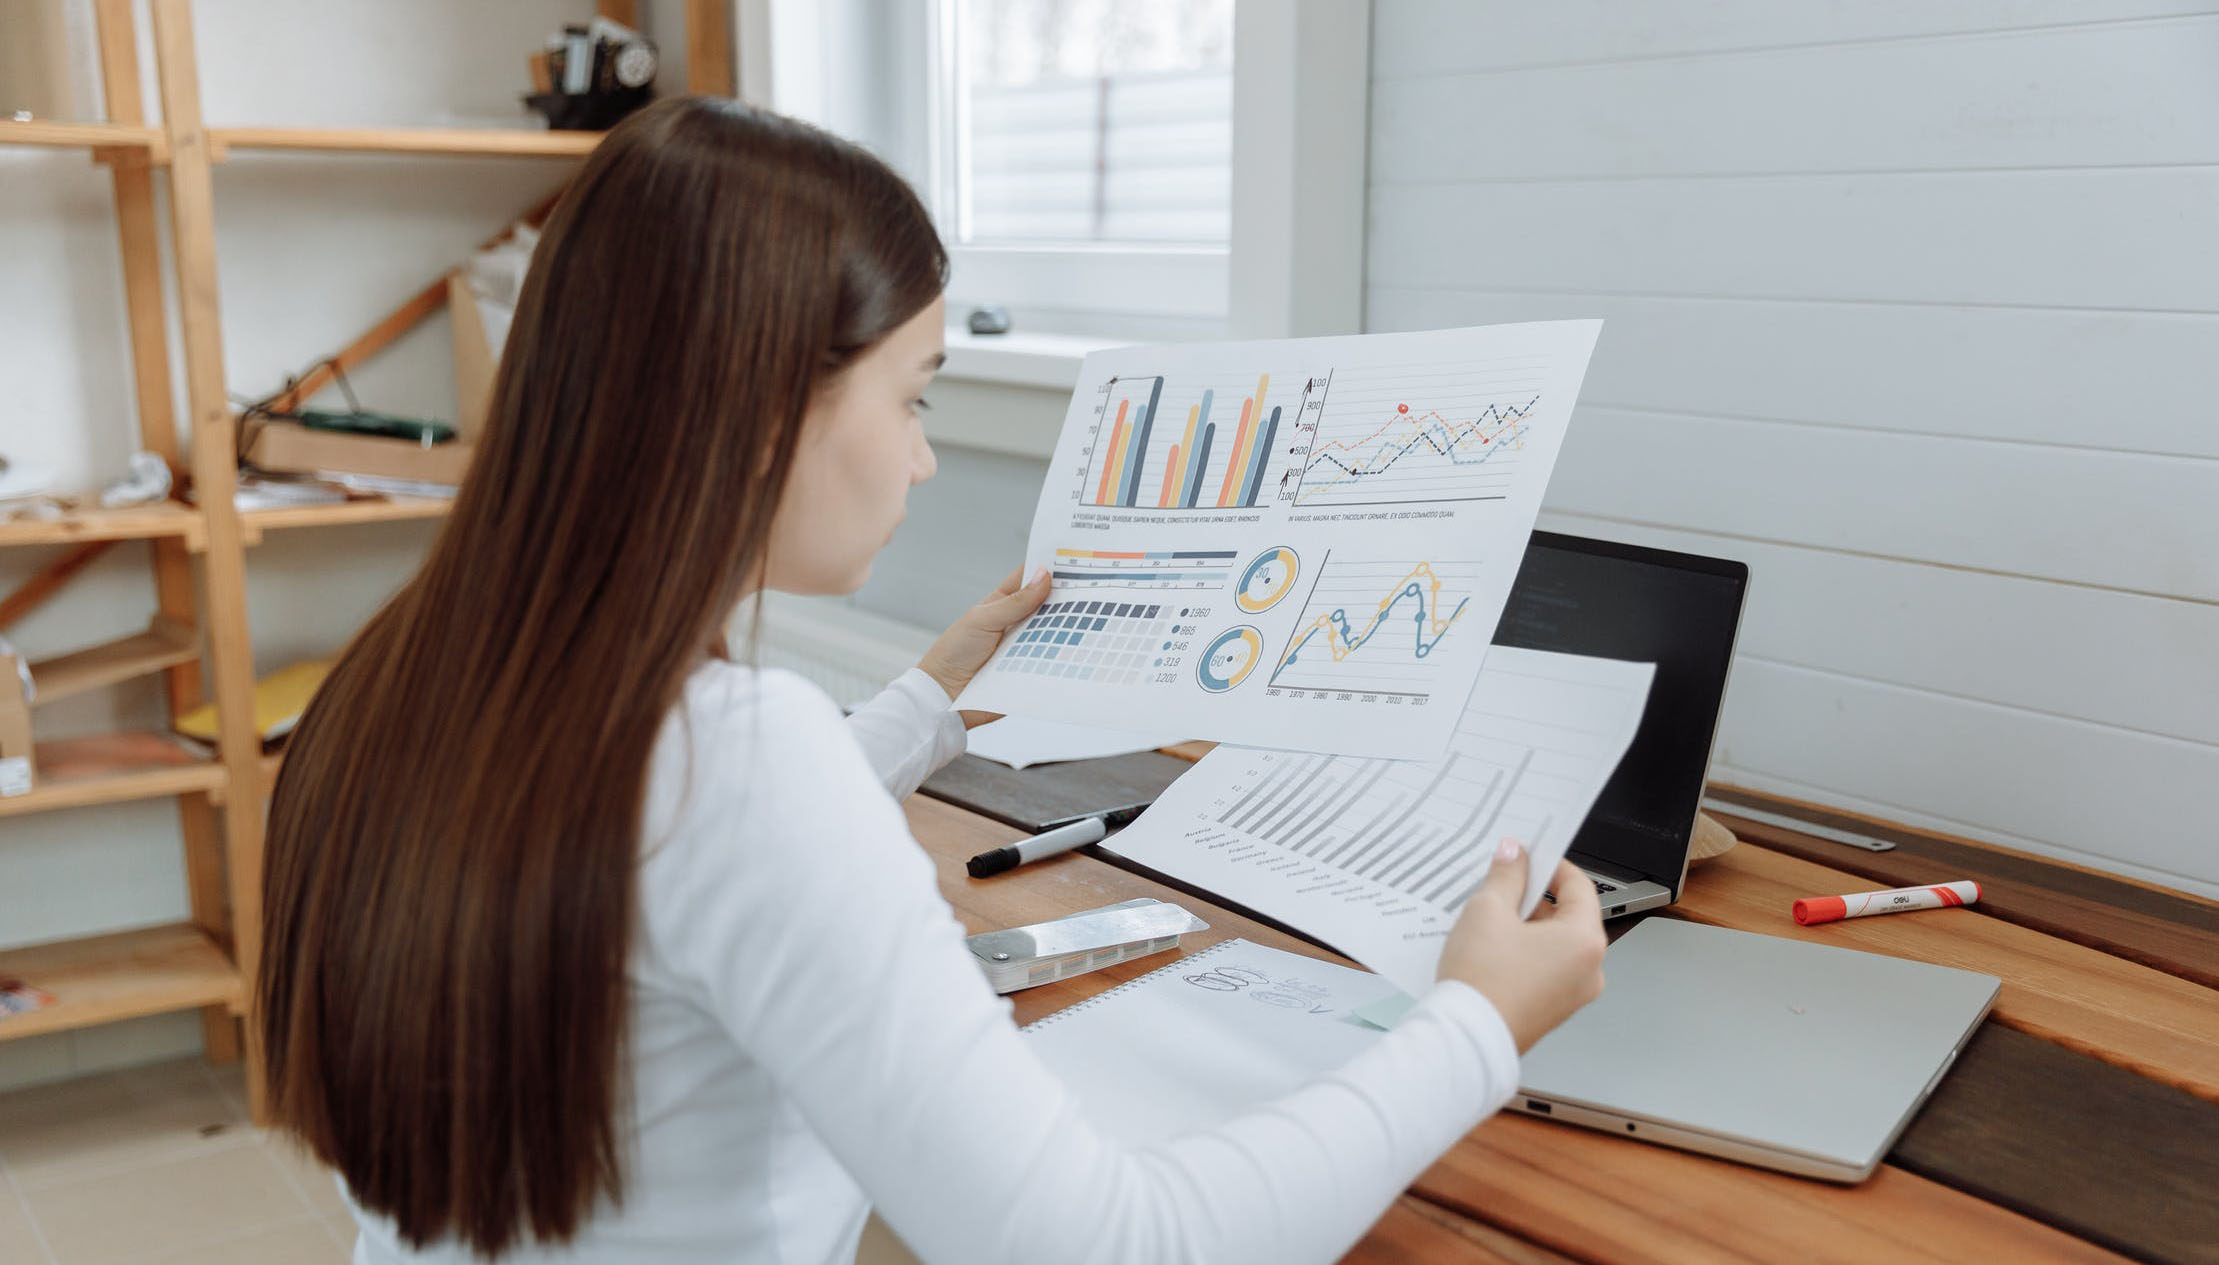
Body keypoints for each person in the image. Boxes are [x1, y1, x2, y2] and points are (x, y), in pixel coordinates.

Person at [258, 97, 1608, 1265]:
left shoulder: (399, 682)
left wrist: (930, 699)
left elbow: (646, 872)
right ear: (765, 405)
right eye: (912, 397)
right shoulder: (732, 756)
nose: (922, 460)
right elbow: (1122, 1248)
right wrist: (1480, 1022)